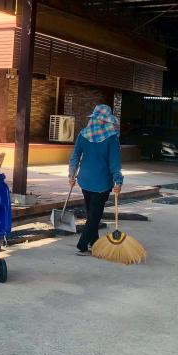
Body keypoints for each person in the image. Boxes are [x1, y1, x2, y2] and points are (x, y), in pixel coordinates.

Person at [69, 104, 123, 256]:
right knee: (94, 216)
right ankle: (82, 245)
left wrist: (71, 175)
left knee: (91, 213)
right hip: (102, 182)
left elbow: (75, 156)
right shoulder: (112, 138)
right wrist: (118, 181)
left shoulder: (83, 134)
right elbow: (114, 163)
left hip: (85, 180)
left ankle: (95, 243)